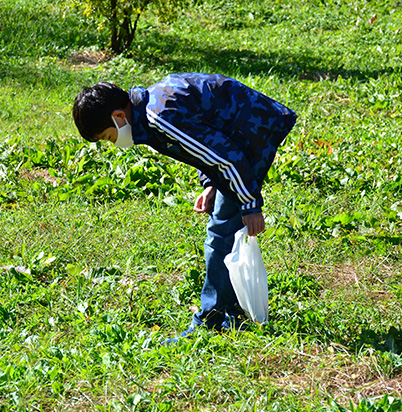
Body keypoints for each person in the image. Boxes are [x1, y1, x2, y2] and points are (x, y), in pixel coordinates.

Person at [72, 73, 296, 340]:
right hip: (240, 132)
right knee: (223, 228)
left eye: (109, 137)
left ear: (119, 117)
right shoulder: (152, 110)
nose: (114, 143)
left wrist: (250, 205)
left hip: (252, 128)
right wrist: (210, 183)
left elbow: (226, 154)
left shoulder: (159, 117)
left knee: (221, 234)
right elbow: (204, 144)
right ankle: (234, 314)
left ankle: (211, 319)